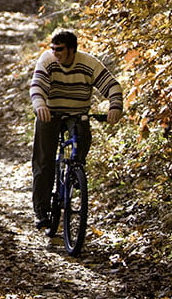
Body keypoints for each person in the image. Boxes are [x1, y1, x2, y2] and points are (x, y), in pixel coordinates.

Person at [30, 30, 124, 229]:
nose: (56, 53)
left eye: (61, 50)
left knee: (80, 144)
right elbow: (37, 86)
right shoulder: (47, 61)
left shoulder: (89, 64)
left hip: (77, 113)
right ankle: (41, 211)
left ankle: (75, 172)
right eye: (54, 49)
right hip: (50, 112)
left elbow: (112, 86)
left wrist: (115, 107)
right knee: (43, 160)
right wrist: (40, 105)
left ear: (72, 49)